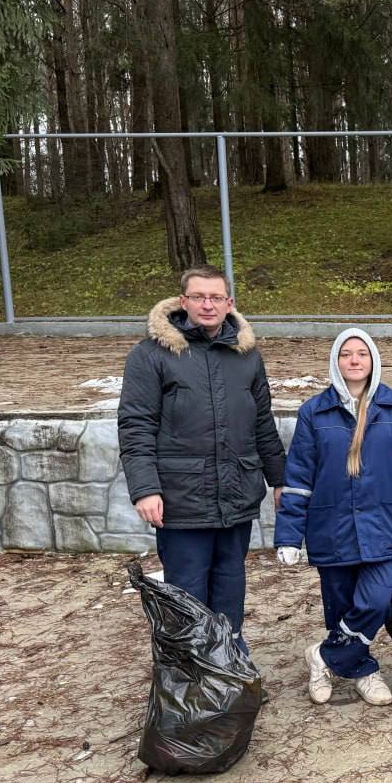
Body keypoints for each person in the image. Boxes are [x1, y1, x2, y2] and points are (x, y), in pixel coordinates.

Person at [119, 265, 286, 652]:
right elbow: (136, 426)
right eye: (199, 296)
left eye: (216, 297)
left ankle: (229, 665)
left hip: (236, 496)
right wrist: (145, 489)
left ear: (229, 303)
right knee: (188, 592)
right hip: (182, 500)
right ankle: (192, 673)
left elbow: (263, 423)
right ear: (183, 302)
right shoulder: (150, 356)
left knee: (230, 584)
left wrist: (280, 479)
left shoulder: (246, 357)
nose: (207, 305)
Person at [274, 329, 392, 706]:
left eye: (361, 354)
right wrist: (288, 536)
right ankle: (363, 669)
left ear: (373, 360)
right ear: (336, 361)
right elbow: (299, 478)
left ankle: (325, 657)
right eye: (346, 354)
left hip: (382, 527)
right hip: (330, 529)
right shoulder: (314, 412)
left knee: (377, 602)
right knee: (339, 606)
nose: (354, 360)